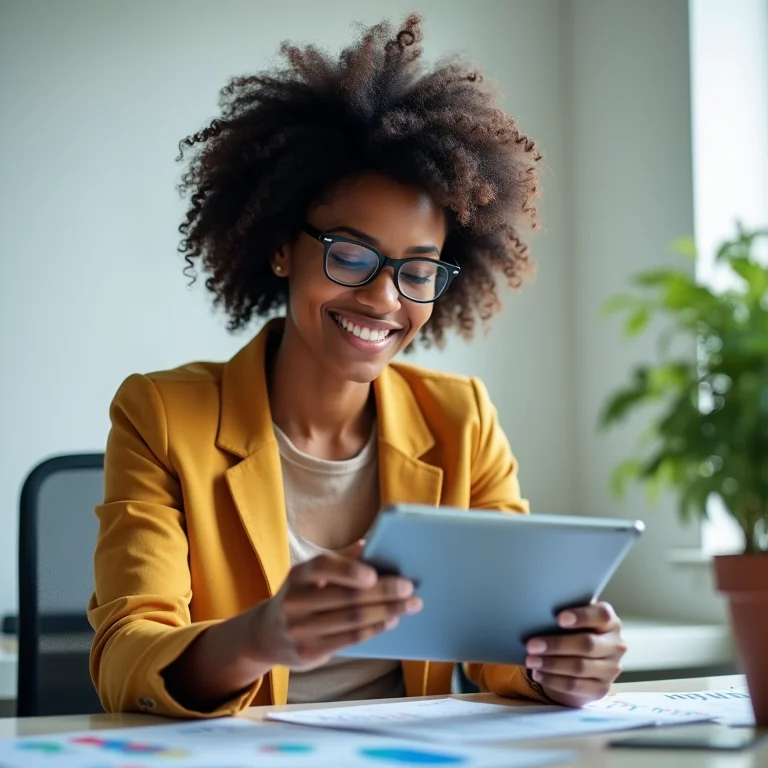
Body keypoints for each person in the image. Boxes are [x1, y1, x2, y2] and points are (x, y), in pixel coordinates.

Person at [88, 13, 626, 719]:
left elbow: (506, 647)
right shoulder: (162, 417)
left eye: (418, 270)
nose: (382, 297)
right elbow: (126, 653)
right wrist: (260, 636)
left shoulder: (461, 420)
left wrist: (565, 663)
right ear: (283, 247)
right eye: (349, 254)